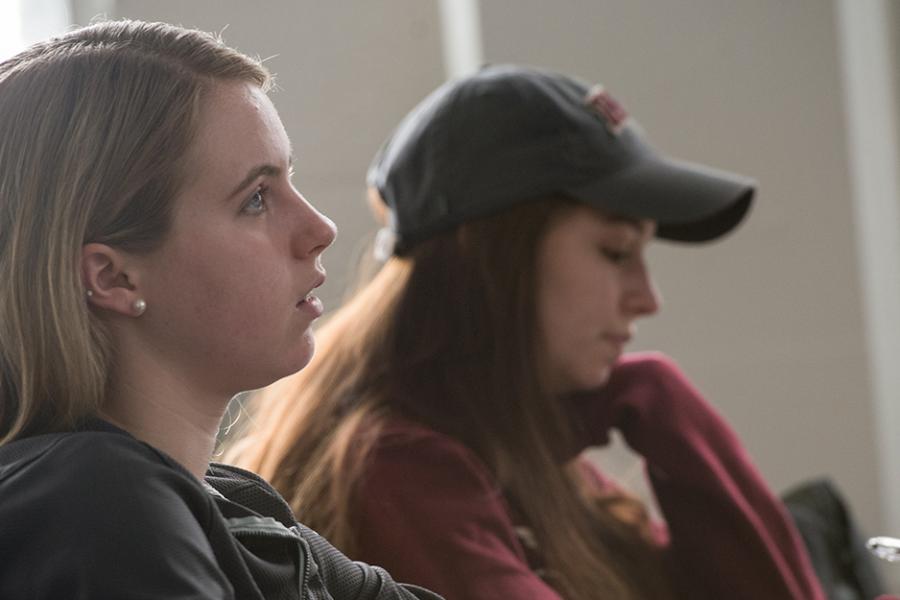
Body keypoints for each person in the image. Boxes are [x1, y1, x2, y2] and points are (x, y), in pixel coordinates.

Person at [229, 65, 827, 600]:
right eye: (616, 253)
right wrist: (659, 394)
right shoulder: (399, 470)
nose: (648, 299)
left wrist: (660, 404)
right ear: (493, 264)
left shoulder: (503, 442)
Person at [0, 20, 442, 600]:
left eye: (289, 179)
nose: (321, 228)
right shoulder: (102, 506)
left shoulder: (236, 506)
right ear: (112, 276)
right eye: (256, 198)